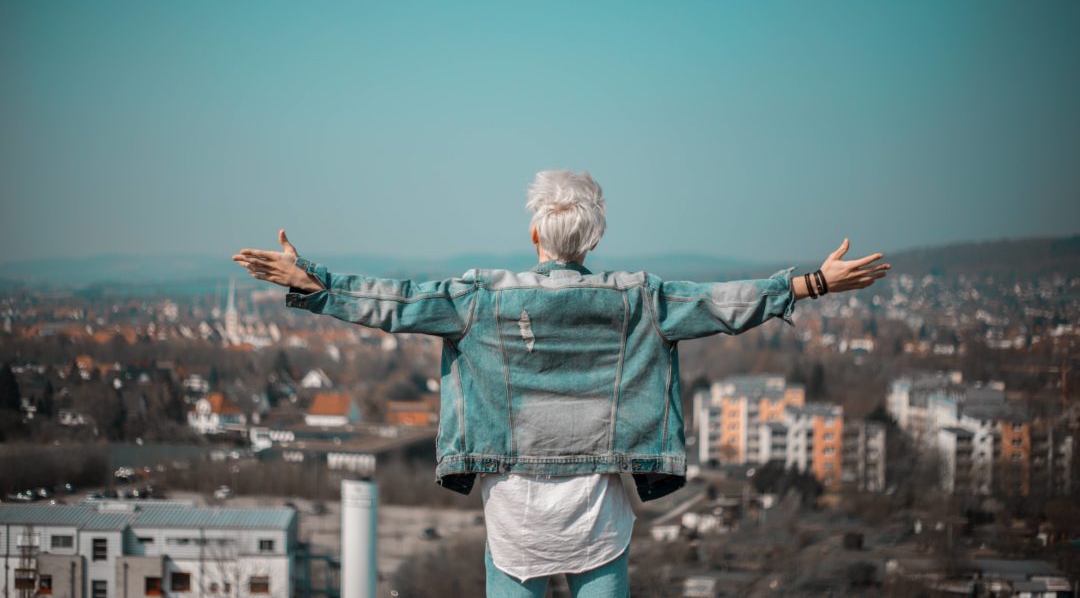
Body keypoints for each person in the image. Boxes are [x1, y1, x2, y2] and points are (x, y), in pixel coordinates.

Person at [232, 169, 890, 597]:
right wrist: (813, 282)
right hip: (598, 514)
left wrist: (313, 282)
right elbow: (725, 303)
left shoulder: (479, 297)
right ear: (593, 237)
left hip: (514, 515)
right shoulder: (641, 299)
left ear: (535, 232)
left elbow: (396, 303)